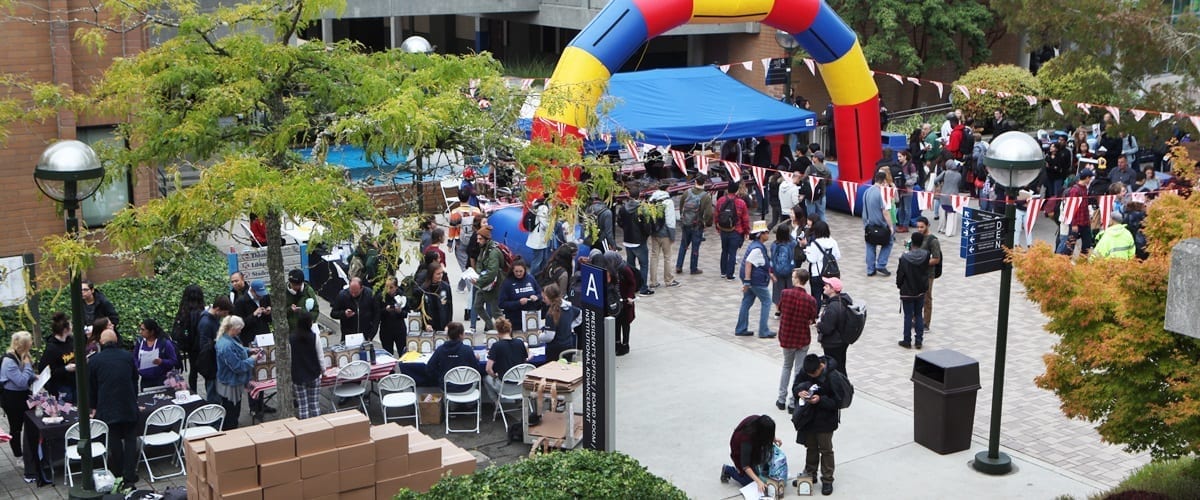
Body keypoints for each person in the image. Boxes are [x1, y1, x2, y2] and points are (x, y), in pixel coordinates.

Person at [791, 354, 850, 496]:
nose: (811, 376)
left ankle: (827, 479)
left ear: (820, 367)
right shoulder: (806, 370)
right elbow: (794, 388)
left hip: (826, 420)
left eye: (813, 374)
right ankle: (810, 473)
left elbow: (837, 402)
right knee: (810, 446)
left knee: (826, 449)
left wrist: (820, 400)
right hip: (809, 418)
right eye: (808, 374)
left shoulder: (833, 376)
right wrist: (799, 392)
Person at [88, 329, 140, 486]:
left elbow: (92, 387)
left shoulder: (95, 361)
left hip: (108, 407)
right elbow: (134, 380)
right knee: (131, 440)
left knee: (114, 440)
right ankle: (130, 473)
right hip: (128, 405)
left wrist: (93, 407)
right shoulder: (127, 356)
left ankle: (117, 473)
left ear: (101, 343)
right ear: (116, 341)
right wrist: (134, 400)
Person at [777, 268, 817, 412]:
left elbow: (780, 309)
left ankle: (781, 399)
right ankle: (793, 402)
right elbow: (812, 318)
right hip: (802, 337)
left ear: (797, 279)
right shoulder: (810, 300)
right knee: (799, 371)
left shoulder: (785, 294)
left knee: (787, 366)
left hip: (787, 336)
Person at [719, 414, 780, 495]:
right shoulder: (747, 439)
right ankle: (728, 470)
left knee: (763, 464)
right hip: (739, 451)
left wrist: (773, 438)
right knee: (749, 482)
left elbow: (767, 431)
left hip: (754, 444)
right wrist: (758, 482)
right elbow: (745, 465)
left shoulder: (761, 421)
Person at [735, 221, 776, 338]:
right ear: (760, 234)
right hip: (756, 280)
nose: (768, 234)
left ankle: (741, 328)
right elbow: (749, 263)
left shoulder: (755, 245)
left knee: (747, 301)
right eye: (766, 232)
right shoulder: (757, 249)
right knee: (767, 301)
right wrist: (747, 282)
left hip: (751, 279)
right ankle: (763, 330)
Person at [215, 315, 257, 430]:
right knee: (231, 415)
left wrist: (249, 350)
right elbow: (238, 366)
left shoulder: (229, 338)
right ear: (232, 328)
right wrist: (252, 359)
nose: (240, 331)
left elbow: (238, 350)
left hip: (231, 382)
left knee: (233, 412)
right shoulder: (226, 346)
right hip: (230, 385)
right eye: (239, 329)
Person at [2, 332, 36, 463]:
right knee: (16, 428)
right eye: (30, 341)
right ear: (24, 345)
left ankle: (31, 451)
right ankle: (18, 456)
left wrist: (34, 377)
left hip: (24, 395)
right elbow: (21, 381)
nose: (32, 343)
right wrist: (28, 365)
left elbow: (28, 376)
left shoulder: (23, 355)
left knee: (31, 423)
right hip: (13, 398)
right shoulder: (8, 361)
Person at [896, 232, 931, 349]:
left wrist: (899, 285)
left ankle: (907, 340)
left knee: (908, 316)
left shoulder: (904, 257)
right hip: (920, 290)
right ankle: (919, 340)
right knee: (918, 315)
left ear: (912, 241)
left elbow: (900, 275)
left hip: (907, 291)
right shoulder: (926, 255)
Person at [617, 185, 653, 296]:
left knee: (630, 265)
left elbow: (620, 222)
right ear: (639, 195)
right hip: (639, 241)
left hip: (627, 240)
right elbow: (647, 226)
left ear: (629, 195)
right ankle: (643, 288)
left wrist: (626, 230)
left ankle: (632, 287)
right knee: (644, 265)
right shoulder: (642, 208)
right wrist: (646, 235)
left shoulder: (623, 208)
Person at [675, 175, 714, 275]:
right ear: (704, 182)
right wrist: (707, 223)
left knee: (683, 245)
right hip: (697, 225)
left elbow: (681, 206)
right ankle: (693, 268)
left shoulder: (686, 192)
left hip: (686, 223)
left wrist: (683, 218)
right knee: (695, 247)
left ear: (695, 181)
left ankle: (679, 266)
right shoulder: (706, 196)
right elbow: (709, 213)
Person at [171, 284, 207, 393]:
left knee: (193, 371)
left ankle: (193, 393)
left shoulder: (183, 311)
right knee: (206, 371)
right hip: (202, 346)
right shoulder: (201, 312)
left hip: (189, 347)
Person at [484, 318, 529, 403]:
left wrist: (495, 376)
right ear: (510, 329)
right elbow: (524, 362)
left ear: (497, 331)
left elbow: (488, 369)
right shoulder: (520, 343)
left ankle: (496, 402)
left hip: (505, 386)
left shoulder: (496, 346)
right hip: (521, 385)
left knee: (486, 378)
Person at [197, 296, 233, 403]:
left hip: (215, 362)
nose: (225, 315)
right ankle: (215, 416)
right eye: (224, 312)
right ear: (217, 309)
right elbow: (204, 346)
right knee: (213, 394)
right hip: (211, 364)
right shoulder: (206, 323)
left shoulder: (213, 318)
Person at [427, 322, 477, 393]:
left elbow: (429, 368)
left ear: (448, 335)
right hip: (466, 387)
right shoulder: (467, 350)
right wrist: (476, 360)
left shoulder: (440, 350)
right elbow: (475, 369)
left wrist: (440, 377)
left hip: (446, 387)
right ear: (461, 335)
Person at [37, 312, 77, 402]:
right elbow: (45, 371)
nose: (72, 327)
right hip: (61, 386)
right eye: (71, 325)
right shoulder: (51, 349)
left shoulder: (71, 340)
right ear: (65, 329)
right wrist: (65, 369)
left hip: (74, 382)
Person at [862, 169, 895, 277]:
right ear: (883, 181)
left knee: (870, 245)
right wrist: (890, 226)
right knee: (889, 242)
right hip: (880, 225)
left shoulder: (867, 192)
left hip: (868, 224)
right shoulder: (880, 194)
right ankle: (881, 263)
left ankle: (870, 269)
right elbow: (885, 212)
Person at [289, 311, 322, 419]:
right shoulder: (315, 337)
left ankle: (305, 430)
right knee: (314, 404)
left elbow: (289, 358)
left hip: (297, 375)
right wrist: (324, 370)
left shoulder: (291, 339)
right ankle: (318, 428)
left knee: (303, 405)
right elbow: (320, 356)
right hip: (313, 373)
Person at [816, 278, 851, 376]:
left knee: (835, 369)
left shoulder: (833, 307)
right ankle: (844, 387)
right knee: (841, 366)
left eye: (826, 286)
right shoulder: (842, 301)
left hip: (833, 343)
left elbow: (827, 328)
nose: (824, 287)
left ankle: (841, 388)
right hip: (841, 341)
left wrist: (819, 324)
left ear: (833, 289)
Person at [471, 225, 503, 332]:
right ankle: (490, 326)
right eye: (477, 238)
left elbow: (492, 272)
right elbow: (480, 263)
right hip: (484, 283)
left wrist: (479, 280)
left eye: (480, 239)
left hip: (493, 285)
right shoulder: (484, 249)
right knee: (477, 305)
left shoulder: (493, 252)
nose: (478, 241)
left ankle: (505, 330)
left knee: (495, 311)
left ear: (486, 239)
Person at [717, 182, 751, 280]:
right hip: (736, 230)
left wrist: (718, 227)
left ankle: (723, 272)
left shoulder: (720, 200)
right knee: (732, 252)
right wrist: (746, 231)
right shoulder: (741, 202)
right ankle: (730, 274)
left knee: (724, 250)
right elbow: (745, 219)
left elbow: (716, 215)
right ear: (737, 190)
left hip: (723, 229)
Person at [803, 220, 840, 307]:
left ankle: (815, 316)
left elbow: (812, 259)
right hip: (830, 273)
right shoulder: (833, 242)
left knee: (816, 297)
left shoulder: (815, 243)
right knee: (830, 296)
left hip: (817, 273)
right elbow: (837, 256)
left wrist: (807, 252)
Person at [647, 184, 678, 288]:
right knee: (667, 257)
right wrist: (672, 235)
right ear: (667, 189)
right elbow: (670, 220)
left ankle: (653, 281)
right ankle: (668, 280)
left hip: (654, 232)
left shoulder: (651, 199)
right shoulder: (668, 202)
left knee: (654, 256)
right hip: (665, 234)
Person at [498, 259, 543, 329]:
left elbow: (540, 293)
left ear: (525, 270)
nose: (518, 273)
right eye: (516, 271)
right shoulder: (507, 283)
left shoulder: (530, 278)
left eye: (521, 271)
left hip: (531, 318)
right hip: (515, 319)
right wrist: (518, 303)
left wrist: (536, 297)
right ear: (512, 270)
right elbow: (501, 304)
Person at [540, 284, 581, 362]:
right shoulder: (569, 308)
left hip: (554, 351)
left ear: (550, 298)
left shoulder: (551, 314)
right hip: (568, 346)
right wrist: (569, 326)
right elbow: (580, 314)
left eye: (544, 298)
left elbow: (549, 336)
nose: (543, 300)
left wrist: (539, 336)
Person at [915, 217, 942, 333]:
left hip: (928, 274)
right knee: (916, 296)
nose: (919, 229)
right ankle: (915, 319)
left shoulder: (933, 241)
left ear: (927, 226)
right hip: (917, 272)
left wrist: (923, 262)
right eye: (918, 227)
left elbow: (936, 259)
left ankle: (926, 322)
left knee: (927, 298)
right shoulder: (917, 237)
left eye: (922, 227)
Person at [135, 318, 179, 388]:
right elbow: (135, 357)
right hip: (145, 380)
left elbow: (174, 361)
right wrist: (137, 366)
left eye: (143, 330)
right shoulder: (140, 342)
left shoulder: (164, 343)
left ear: (151, 332)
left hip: (162, 380)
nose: (140, 332)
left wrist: (162, 361)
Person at [331, 277, 378, 342]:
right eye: (351, 291)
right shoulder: (342, 295)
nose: (353, 294)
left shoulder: (370, 294)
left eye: (356, 292)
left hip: (365, 334)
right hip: (348, 335)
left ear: (361, 288)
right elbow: (333, 313)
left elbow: (376, 314)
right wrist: (344, 314)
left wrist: (372, 333)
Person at [417, 262, 454, 332]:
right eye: (438, 274)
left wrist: (449, 324)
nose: (441, 275)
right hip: (429, 326)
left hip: (443, 324)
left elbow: (449, 307)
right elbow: (421, 309)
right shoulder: (424, 289)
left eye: (442, 273)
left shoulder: (446, 287)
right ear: (431, 274)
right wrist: (425, 324)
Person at [375, 276, 408, 355]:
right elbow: (377, 313)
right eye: (386, 287)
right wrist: (385, 310)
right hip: (386, 330)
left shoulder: (402, 296)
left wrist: (400, 311)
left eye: (391, 287)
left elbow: (406, 313)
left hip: (399, 329)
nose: (388, 290)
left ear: (396, 287)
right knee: (388, 354)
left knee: (403, 353)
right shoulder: (381, 297)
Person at [770, 224, 798, 316]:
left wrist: (771, 271)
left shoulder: (774, 245)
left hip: (777, 272)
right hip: (789, 271)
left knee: (778, 290)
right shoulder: (791, 244)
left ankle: (778, 311)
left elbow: (772, 259)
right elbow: (796, 241)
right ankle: (789, 309)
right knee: (790, 289)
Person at [234, 279, 272, 346]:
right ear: (252, 291)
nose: (261, 297)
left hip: (265, 336)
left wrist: (268, 313)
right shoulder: (240, 302)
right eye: (258, 295)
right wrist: (254, 315)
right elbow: (240, 324)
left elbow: (269, 320)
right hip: (250, 338)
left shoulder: (265, 297)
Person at [525, 194, 551, 275]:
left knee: (543, 259)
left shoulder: (538, 205)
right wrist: (551, 226)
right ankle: (533, 277)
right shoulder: (543, 207)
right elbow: (544, 224)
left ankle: (540, 275)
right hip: (539, 239)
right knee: (538, 260)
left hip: (539, 238)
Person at [805, 151, 831, 222]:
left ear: (816, 158)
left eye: (814, 157)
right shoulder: (827, 170)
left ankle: (812, 231)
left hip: (811, 195)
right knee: (822, 214)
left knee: (811, 215)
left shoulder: (810, 168)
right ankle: (823, 230)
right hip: (822, 195)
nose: (812, 158)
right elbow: (829, 183)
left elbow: (804, 179)